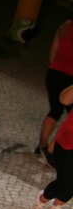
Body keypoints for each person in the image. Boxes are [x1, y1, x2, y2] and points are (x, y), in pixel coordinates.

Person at [32, 84, 73, 209]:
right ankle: (42, 199)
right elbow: (64, 99)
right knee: (65, 181)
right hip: (68, 141)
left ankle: (56, 206)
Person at [36, 20, 73, 163]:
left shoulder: (65, 25)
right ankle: (53, 151)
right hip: (71, 79)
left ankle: (42, 145)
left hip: (54, 73)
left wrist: (55, 67)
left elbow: (53, 50)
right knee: (70, 118)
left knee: (55, 110)